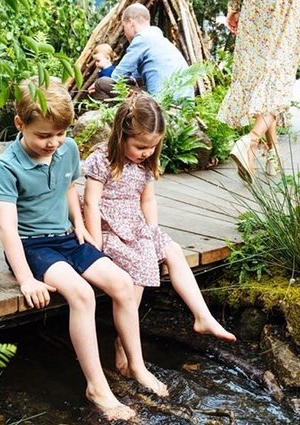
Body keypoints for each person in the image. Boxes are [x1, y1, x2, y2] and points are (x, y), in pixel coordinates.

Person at [0, 78, 167, 420]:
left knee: (121, 284)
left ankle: (136, 364)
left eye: (59, 134)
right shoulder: (7, 165)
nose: (53, 143)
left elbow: (70, 188)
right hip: (32, 247)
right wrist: (27, 279)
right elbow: (7, 228)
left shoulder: (67, 148)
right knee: (82, 294)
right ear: (20, 124)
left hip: (68, 238)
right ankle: (97, 387)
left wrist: (82, 226)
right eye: (44, 136)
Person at [82, 94, 236, 376]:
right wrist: (95, 243)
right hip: (109, 228)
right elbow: (91, 202)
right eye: (141, 146)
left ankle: (202, 316)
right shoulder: (101, 161)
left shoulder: (143, 165)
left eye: (153, 147)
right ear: (121, 135)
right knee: (140, 269)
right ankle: (123, 343)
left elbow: (147, 201)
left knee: (173, 251)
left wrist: (152, 231)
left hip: (137, 225)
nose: (147, 153)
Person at [219, 0, 300, 182]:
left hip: (256, 8)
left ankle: (273, 151)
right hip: (288, 8)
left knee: (262, 76)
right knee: (279, 78)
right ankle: (250, 142)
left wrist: (234, 7)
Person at [90, 3, 192, 100]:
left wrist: (97, 84)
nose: (124, 33)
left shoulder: (142, 39)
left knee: (101, 83)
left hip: (161, 105)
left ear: (131, 23)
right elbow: (135, 76)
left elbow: (117, 76)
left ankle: (113, 116)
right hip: (182, 104)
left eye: (124, 27)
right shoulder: (157, 38)